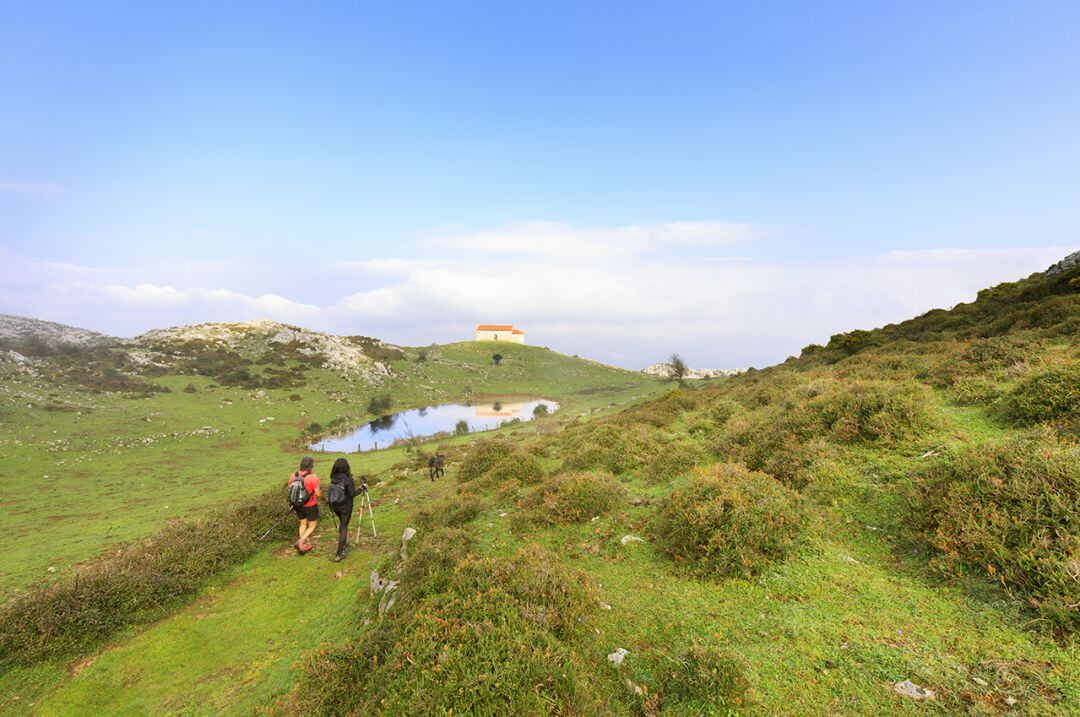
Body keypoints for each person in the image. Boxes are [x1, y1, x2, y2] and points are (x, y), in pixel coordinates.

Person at [327, 458, 364, 562]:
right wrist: (362, 488)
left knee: (342, 524)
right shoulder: (348, 479)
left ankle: (343, 542)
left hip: (335, 505)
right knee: (344, 526)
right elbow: (352, 495)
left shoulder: (333, 477)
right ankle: (339, 553)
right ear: (347, 467)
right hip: (345, 507)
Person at [288, 456, 322, 554]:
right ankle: (301, 542)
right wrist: (325, 499)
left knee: (303, 523)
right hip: (310, 505)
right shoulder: (312, 477)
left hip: (297, 504)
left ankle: (303, 545)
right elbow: (318, 493)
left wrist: (292, 503)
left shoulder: (293, 475)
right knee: (312, 525)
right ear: (311, 465)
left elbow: (289, 490)